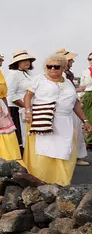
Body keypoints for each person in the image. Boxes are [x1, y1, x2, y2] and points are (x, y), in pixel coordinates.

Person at [24, 54, 92, 185]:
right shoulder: (39, 79)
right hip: (44, 120)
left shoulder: (67, 82)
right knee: (44, 151)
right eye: (50, 66)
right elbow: (28, 96)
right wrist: (28, 111)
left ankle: (62, 182)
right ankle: (41, 181)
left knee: (65, 151)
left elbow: (75, 104)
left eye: (57, 67)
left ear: (63, 68)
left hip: (65, 121)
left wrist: (85, 120)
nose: (53, 69)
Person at [6, 50, 36, 148]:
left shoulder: (29, 74)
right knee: (22, 136)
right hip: (18, 109)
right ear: (17, 63)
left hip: (29, 108)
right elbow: (10, 94)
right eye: (23, 61)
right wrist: (25, 106)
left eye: (28, 60)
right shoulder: (13, 74)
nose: (27, 62)